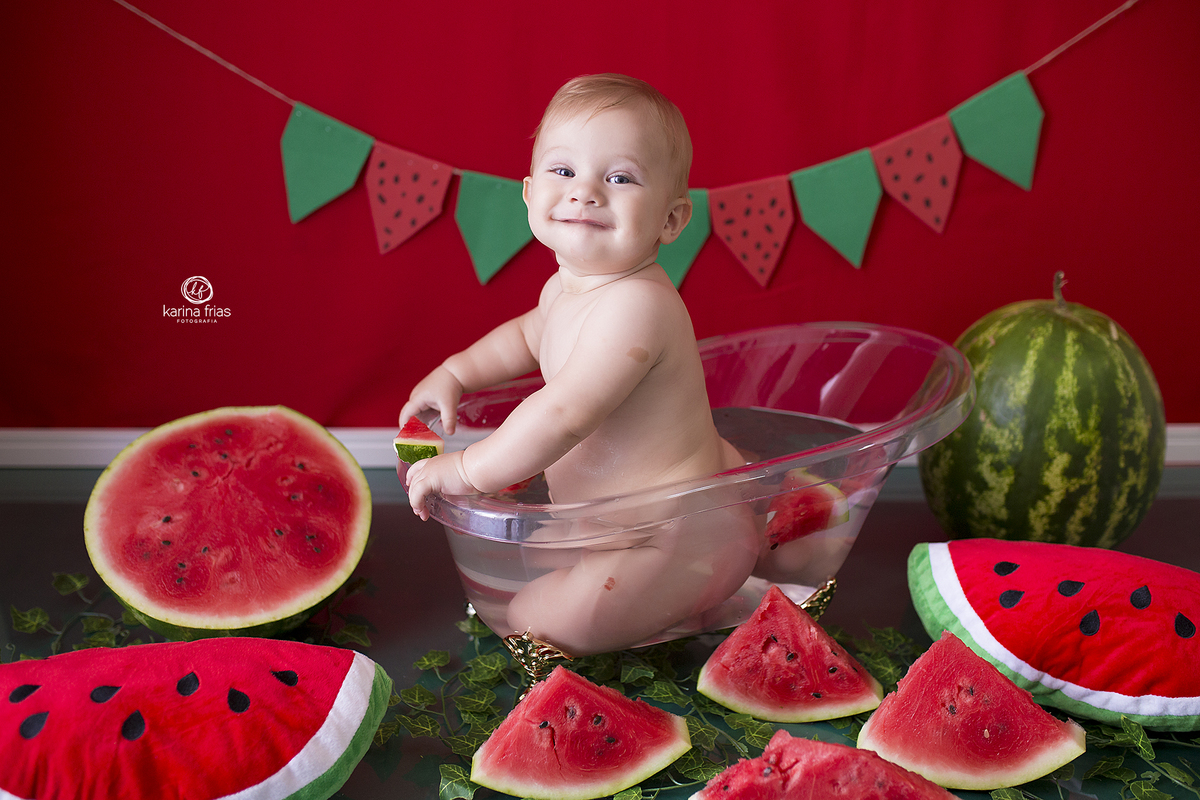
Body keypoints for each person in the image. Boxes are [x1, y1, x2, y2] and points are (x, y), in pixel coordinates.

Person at [399, 74, 758, 654]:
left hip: (671, 534)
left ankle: (708, 595)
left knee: (529, 618)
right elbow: (524, 337)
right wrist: (458, 373)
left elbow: (564, 412)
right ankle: (680, 596)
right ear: (528, 193)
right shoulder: (566, 288)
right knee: (541, 559)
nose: (585, 191)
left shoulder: (637, 304)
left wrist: (467, 472)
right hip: (616, 524)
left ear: (670, 220)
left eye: (619, 178)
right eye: (563, 171)